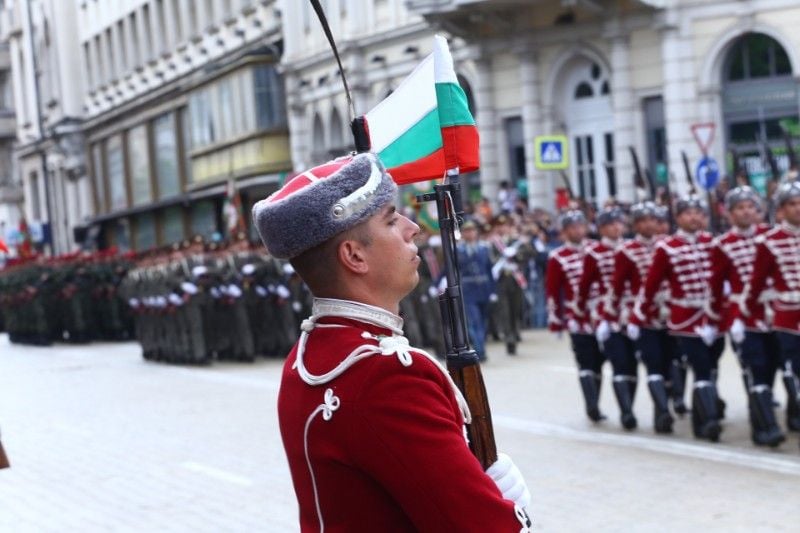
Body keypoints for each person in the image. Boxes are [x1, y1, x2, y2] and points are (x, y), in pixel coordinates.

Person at [252, 153, 532, 532]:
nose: (412, 227)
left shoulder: (311, 353)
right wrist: (507, 508)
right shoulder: (386, 376)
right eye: (390, 219)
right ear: (354, 256)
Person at [632, 195, 723, 442]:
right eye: (687, 213)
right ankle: (709, 420)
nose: (693, 217)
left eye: (698, 212)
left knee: (711, 367)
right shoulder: (667, 247)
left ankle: (701, 418)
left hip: (713, 316)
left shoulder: (712, 243)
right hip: (684, 317)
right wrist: (638, 316)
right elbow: (651, 285)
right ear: (678, 218)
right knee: (700, 366)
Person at [708, 186, 784, 447]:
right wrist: (717, 320)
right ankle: (766, 428)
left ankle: (761, 418)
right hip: (743, 314)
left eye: (751, 206)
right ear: (729, 214)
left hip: (774, 311)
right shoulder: (722, 245)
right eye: (740, 208)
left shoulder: (772, 236)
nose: (747, 212)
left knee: (773, 366)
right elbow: (716, 286)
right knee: (756, 367)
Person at [737, 181, 800, 444]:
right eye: (792, 204)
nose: (799, 209)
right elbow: (757, 282)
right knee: (793, 370)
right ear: (781, 211)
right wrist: (744, 317)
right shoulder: (769, 242)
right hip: (786, 318)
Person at [610, 202, 675, 434]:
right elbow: (617, 287)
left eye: (654, 220)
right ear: (636, 224)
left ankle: (665, 409)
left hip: (669, 313)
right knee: (654, 362)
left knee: (670, 364)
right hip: (642, 314)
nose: (650, 224)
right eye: (644, 220)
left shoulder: (667, 246)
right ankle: (662, 411)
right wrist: (612, 316)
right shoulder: (627, 250)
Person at [576, 207, 637, 430]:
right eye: (611, 224)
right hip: (607, 314)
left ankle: (630, 403)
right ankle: (626, 411)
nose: (616, 227)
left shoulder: (631, 248)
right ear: (601, 228)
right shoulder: (594, 253)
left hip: (631, 313)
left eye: (619, 223)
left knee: (632, 363)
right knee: (619, 361)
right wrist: (583, 315)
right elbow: (584, 287)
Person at [546, 210, 607, 422]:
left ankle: (596, 402)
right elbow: (553, 291)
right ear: (564, 232)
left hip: (601, 315)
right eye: (572, 227)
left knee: (600, 362)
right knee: (585, 361)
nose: (578, 230)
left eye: (580, 226)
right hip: (577, 316)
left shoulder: (597, 250)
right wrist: (556, 321)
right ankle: (592, 406)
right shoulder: (558, 257)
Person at [457, 218, 497, 361]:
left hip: (484, 288)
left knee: (484, 321)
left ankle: (481, 346)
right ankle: (480, 350)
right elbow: (449, 270)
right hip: (468, 290)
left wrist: (493, 291)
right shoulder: (458, 250)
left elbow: (490, 270)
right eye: (467, 231)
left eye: (472, 230)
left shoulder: (485, 248)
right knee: (474, 322)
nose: (470, 233)